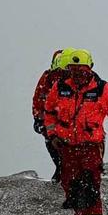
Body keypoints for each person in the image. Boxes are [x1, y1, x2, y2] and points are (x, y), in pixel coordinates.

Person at [43, 49, 108, 215]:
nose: (77, 75)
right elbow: (48, 113)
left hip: (91, 147)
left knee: (91, 186)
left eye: (81, 70)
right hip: (67, 147)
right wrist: (53, 135)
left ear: (89, 69)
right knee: (71, 187)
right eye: (74, 71)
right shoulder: (60, 88)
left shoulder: (102, 89)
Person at [32, 48, 69, 181]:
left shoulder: (72, 78)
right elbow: (38, 100)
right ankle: (60, 167)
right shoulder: (47, 79)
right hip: (50, 120)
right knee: (50, 142)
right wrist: (37, 118)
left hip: (65, 120)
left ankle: (65, 168)